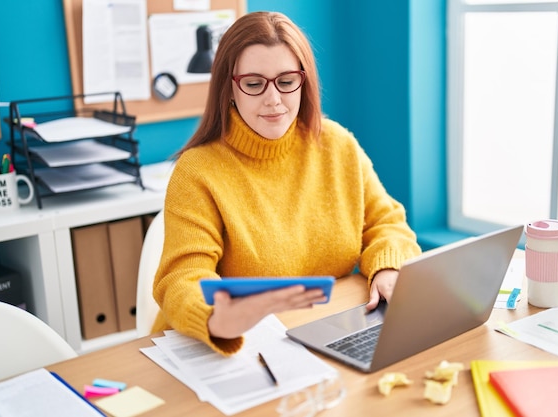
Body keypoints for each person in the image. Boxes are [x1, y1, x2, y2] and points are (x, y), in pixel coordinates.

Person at [151, 11, 422, 356]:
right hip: (221, 346)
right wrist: (218, 316)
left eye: (286, 81)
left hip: (318, 334)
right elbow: (182, 276)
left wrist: (388, 266)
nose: (273, 99)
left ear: (303, 81)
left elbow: (387, 223)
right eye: (253, 83)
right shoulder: (198, 171)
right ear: (229, 87)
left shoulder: (338, 145)